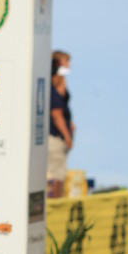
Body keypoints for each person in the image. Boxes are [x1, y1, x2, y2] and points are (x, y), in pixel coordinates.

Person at [48, 50, 74, 199]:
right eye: (66, 62)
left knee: (59, 173)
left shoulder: (58, 84)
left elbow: (63, 96)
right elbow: (56, 114)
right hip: (56, 136)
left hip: (60, 136)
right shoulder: (51, 89)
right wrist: (66, 135)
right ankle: (54, 203)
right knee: (55, 176)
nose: (68, 66)